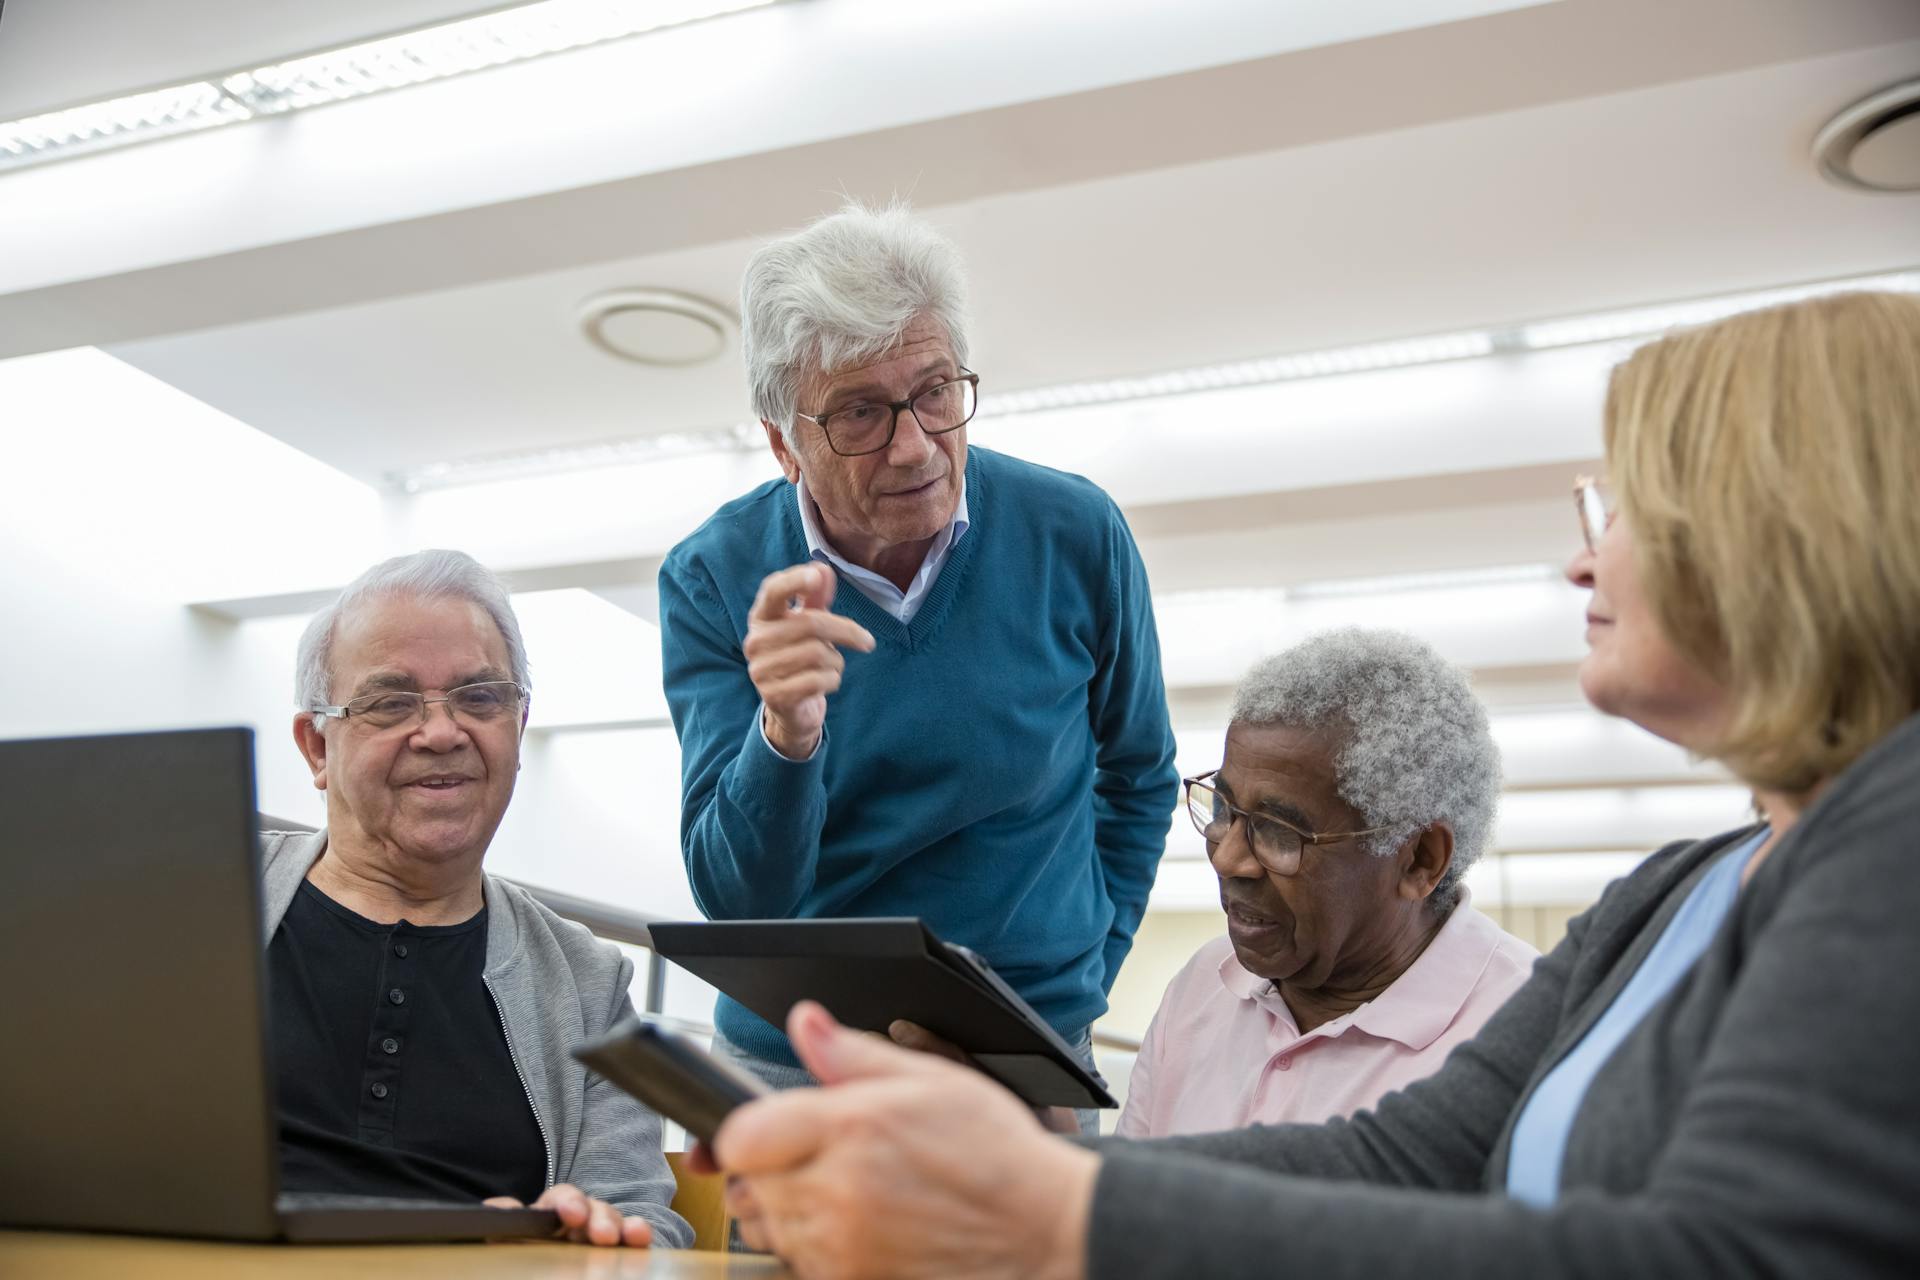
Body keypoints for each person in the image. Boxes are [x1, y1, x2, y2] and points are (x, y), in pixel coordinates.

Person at [694, 289, 1920, 1278]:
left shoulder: (1893, 846)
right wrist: (1001, 1171)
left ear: (1780, 541)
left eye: (1630, 507)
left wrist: (1056, 1219)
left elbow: (1724, 1253)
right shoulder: (1677, 891)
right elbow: (1406, 1155)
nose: (1583, 554)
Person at [657, 202, 1178, 1113]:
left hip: (1025, 1053)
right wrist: (784, 738)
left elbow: (1138, 773)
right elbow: (739, 902)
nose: (914, 446)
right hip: (803, 1062)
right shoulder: (714, 576)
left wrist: (1085, 970)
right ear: (785, 442)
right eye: (860, 413)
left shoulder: (1074, 532)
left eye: (934, 392)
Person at [264, 550, 690, 1249]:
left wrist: (605, 1239)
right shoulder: (200, 902)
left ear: (518, 729)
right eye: (391, 702)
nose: (440, 733)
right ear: (316, 745)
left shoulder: (587, 982)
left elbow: (643, 1215)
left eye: (480, 697)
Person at [1120, 629, 1537, 1138]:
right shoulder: (1205, 985)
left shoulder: (1529, 1035)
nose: (1228, 860)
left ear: (1418, 861)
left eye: (1279, 831)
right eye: (1224, 809)